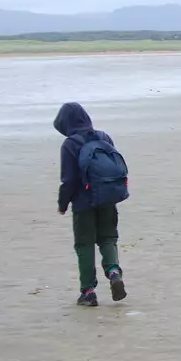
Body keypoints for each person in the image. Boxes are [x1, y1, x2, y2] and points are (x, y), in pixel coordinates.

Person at [55, 102, 129, 307]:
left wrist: (62, 204)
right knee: (108, 238)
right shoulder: (103, 137)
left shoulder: (70, 144)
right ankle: (114, 272)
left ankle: (88, 292)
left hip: (83, 203)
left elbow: (68, 180)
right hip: (107, 197)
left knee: (84, 245)